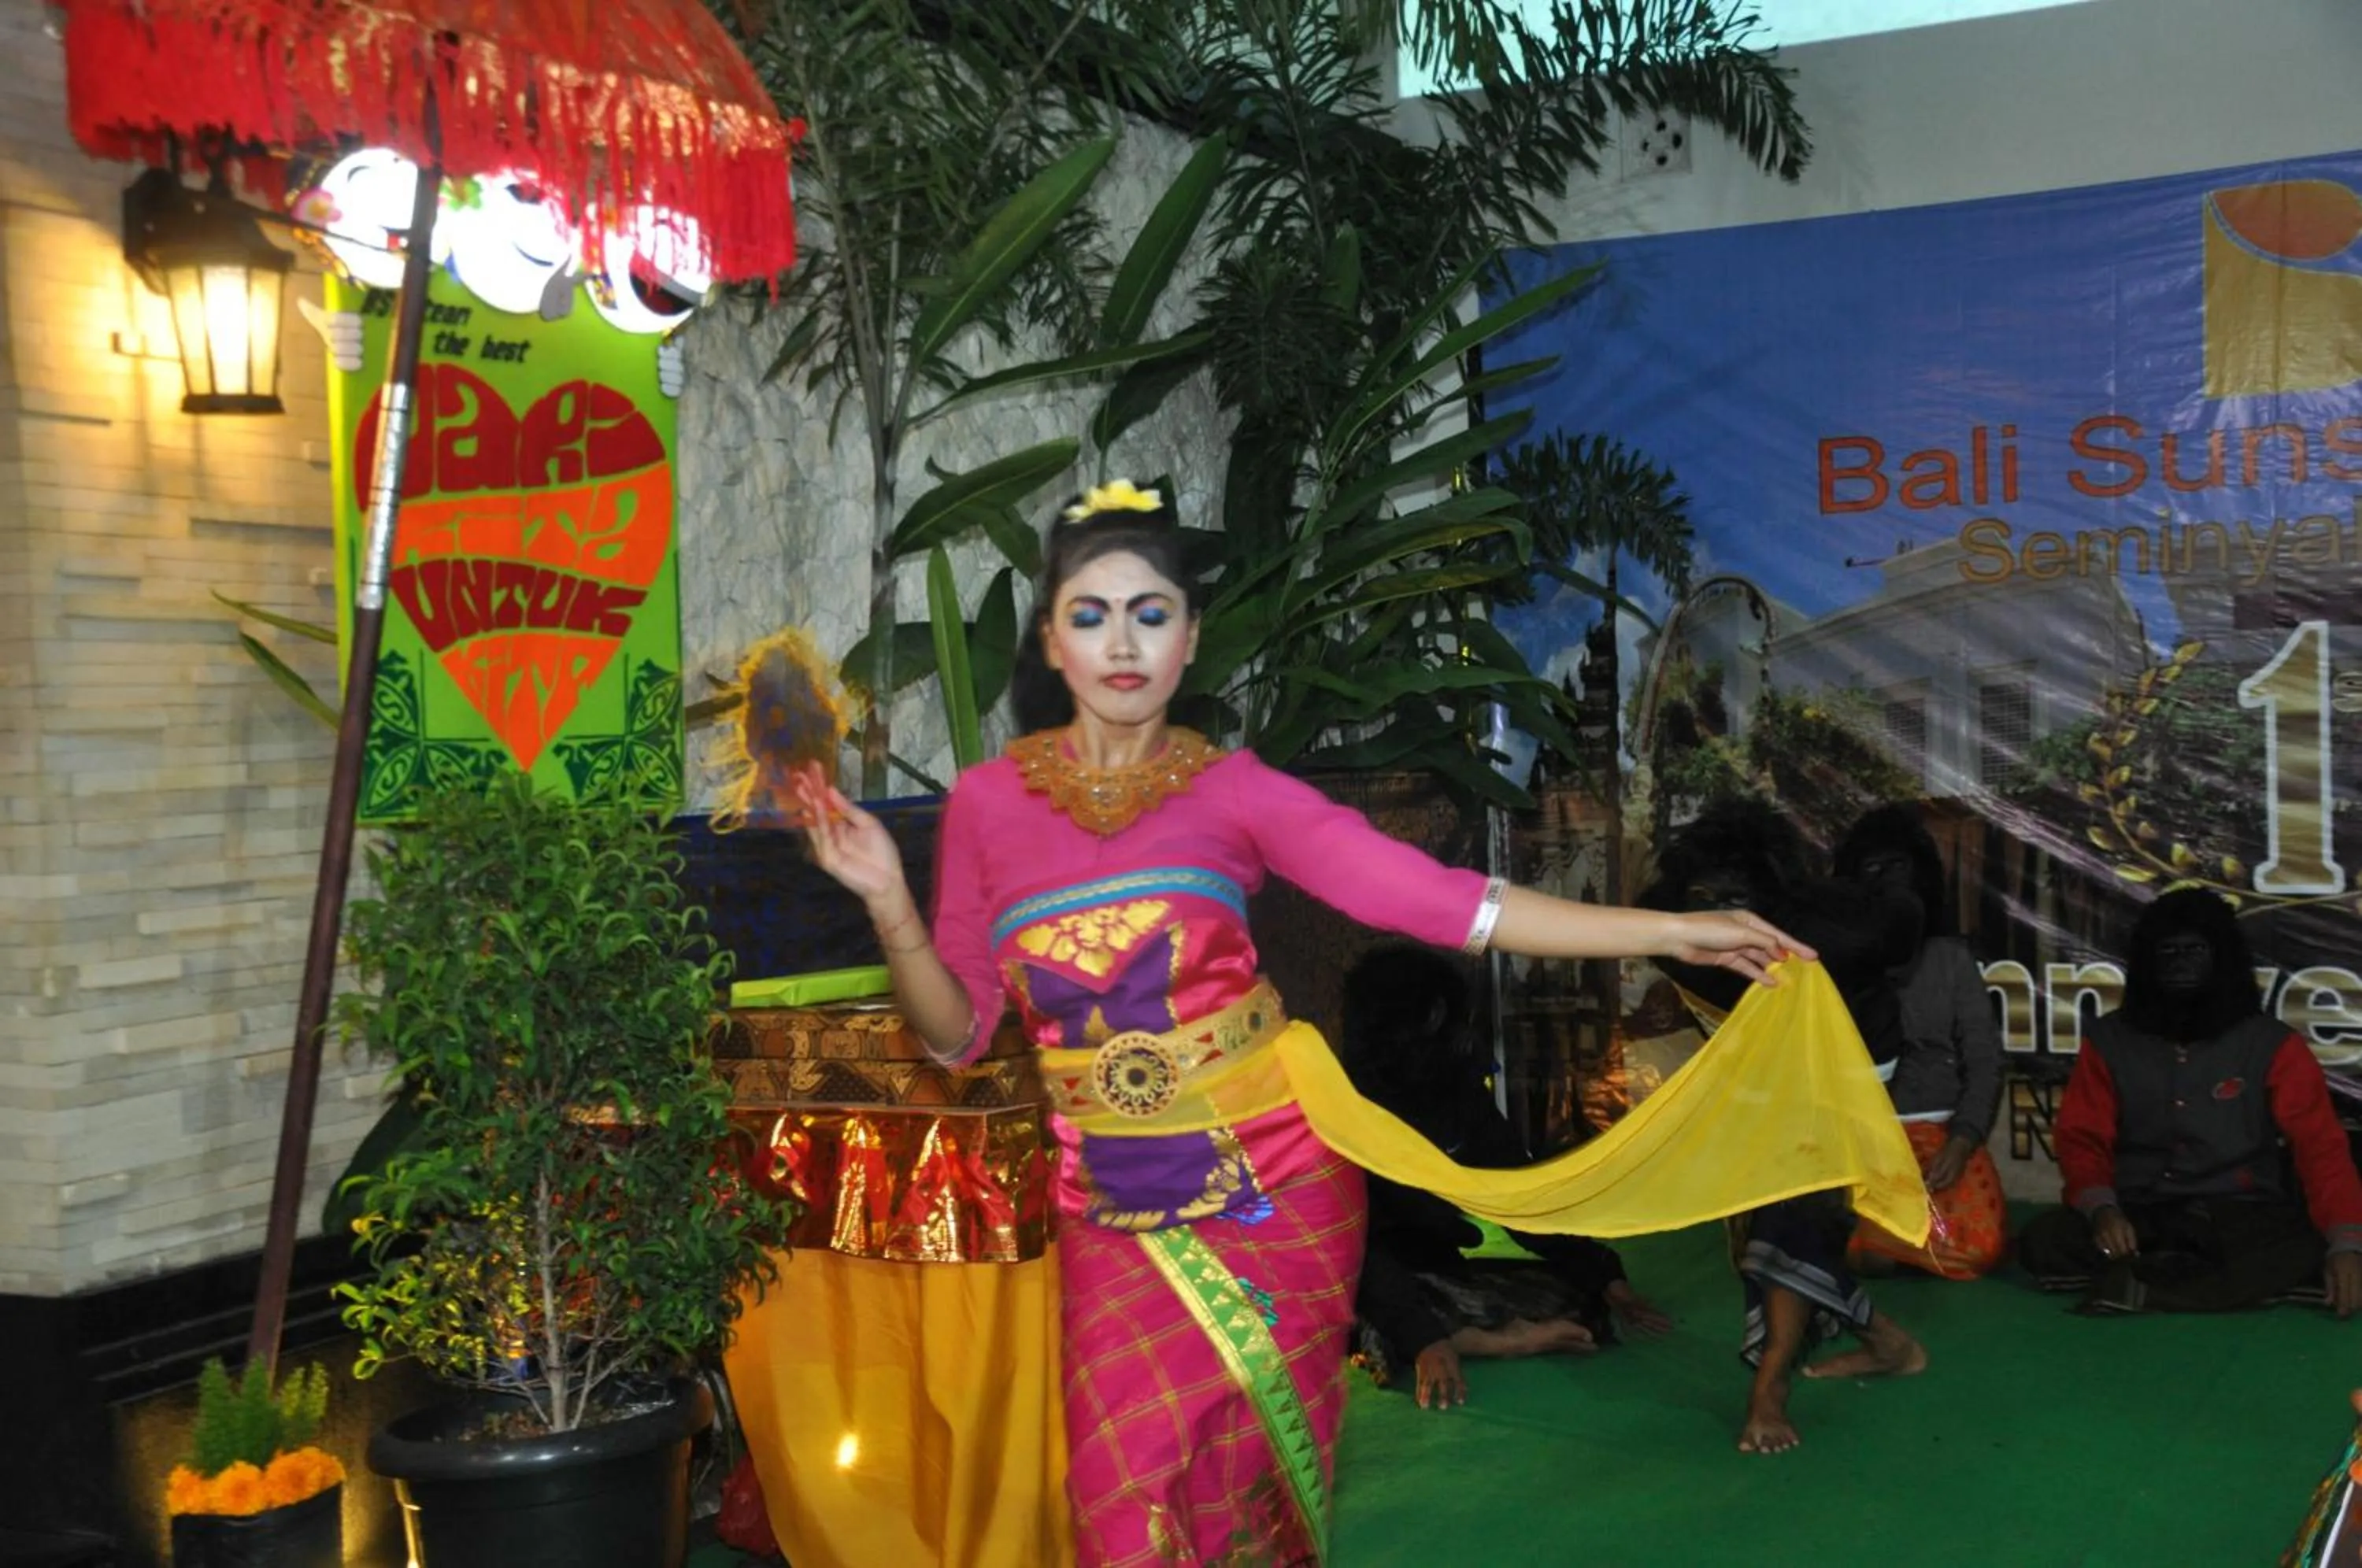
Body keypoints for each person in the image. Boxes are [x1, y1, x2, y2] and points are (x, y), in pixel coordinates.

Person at [792, 479, 1860, 1566]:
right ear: (1052, 642)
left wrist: (1668, 935)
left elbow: (1445, 902)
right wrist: (888, 903)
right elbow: (955, 1034)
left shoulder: (1236, 792)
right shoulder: (986, 806)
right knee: (1122, 1508)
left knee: (1247, 1499)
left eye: (1151, 612)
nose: (1124, 642)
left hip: (1278, 1188)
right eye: (1092, 613)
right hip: (1112, 1210)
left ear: (1191, 639)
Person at [1640, 799, 1928, 1456]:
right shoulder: (1672, 939)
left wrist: (1881, 885)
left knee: (1792, 1219)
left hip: (1847, 1073)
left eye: (1736, 902)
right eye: (1704, 902)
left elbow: (1903, 918)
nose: (1720, 919)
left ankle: (1770, 1388)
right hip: (1765, 1081)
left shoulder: (1833, 931)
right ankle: (1888, 1342)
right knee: (1776, 1223)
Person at [1338, 945, 1671, 1411]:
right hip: (1359, 1281)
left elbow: (1520, 1195)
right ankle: (1487, 1341)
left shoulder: (1455, 1091)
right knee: (1351, 1315)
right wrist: (1425, 1341)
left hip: (1435, 1272)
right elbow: (1354, 1248)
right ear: (1435, 1018)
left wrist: (1605, 1275)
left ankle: (1469, 1332)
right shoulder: (1339, 1108)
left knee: (1579, 1301)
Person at [2017, 886, 2362, 1317]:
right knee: (2043, 1243)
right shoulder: (2110, 1040)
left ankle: (2147, 1286)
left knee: (2309, 1245)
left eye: (2195, 950)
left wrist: (2346, 1244)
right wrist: (2102, 1210)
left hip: (2241, 1217)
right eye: (2168, 952)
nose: (2180, 963)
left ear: (2223, 959)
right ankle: (2189, 1279)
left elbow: (2321, 1148)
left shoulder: (2272, 1045)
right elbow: (2082, 1141)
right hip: (2140, 1211)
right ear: (2147, 963)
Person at [1832, 804, 2008, 1278]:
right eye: (1874, 868)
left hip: (1939, 1136)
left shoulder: (1951, 958)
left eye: (1899, 866)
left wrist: (1962, 1140)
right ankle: (1888, 1242)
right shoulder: (1832, 960)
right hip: (1859, 1145)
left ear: (1922, 877)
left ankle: (1888, 1245)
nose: (1888, 878)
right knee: (1813, 1230)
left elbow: (1984, 1058)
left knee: (1980, 1250)